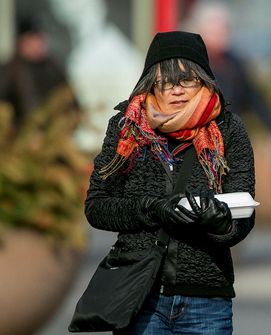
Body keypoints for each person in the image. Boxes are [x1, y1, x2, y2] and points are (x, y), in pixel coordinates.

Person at [84, 31, 255, 334]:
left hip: (207, 298)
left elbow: (244, 214)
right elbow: (97, 206)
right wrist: (151, 209)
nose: (177, 90)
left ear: (204, 80)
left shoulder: (229, 128)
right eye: (166, 81)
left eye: (186, 80)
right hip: (139, 294)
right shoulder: (127, 127)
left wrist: (218, 223)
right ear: (151, 83)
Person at [183, 1, 271, 132]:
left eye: (224, 27)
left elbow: (255, 100)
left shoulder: (235, 64)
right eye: (214, 28)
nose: (221, 33)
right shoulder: (189, 65)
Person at [0, 16, 79, 133]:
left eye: (40, 39)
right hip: (19, 139)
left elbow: (71, 100)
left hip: (53, 137)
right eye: (32, 39)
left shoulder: (53, 67)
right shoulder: (10, 71)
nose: (38, 44)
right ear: (21, 42)